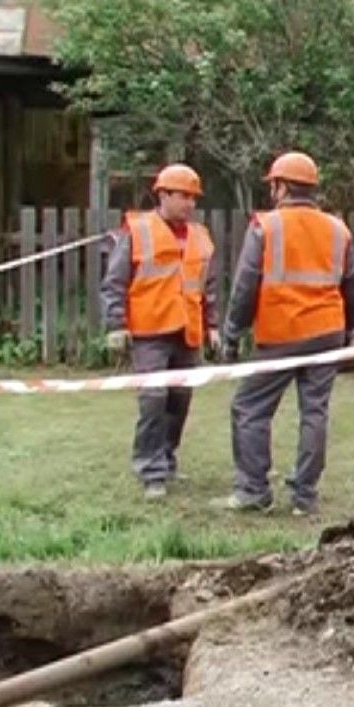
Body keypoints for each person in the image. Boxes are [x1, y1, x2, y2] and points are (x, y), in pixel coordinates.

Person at [217, 151, 354, 516]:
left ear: (281, 187)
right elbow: (350, 286)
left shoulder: (266, 226)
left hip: (282, 332)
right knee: (315, 413)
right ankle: (305, 496)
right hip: (327, 330)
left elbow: (245, 285)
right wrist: (349, 332)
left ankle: (252, 491)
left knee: (249, 407)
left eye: (273, 185)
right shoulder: (338, 229)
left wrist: (232, 334)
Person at [100, 163, 219, 501]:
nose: (190, 203)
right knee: (153, 401)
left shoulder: (201, 236)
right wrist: (116, 324)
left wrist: (212, 325)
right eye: (183, 196)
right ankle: (150, 470)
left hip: (188, 330)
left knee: (179, 401)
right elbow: (115, 282)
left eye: (194, 197)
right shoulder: (137, 230)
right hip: (150, 330)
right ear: (163, 195)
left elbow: (208, 287)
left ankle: (166, 458)